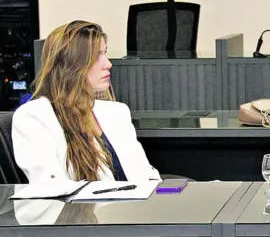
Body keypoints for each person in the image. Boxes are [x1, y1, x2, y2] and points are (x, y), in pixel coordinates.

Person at [12, 21, 161, 183]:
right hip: (80, 208)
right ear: (71, 64)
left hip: (135, 206)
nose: (108, 64)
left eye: (105, 53)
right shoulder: (34, 116)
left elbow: (146, 175)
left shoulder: (117, 112)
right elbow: (51, 187)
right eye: (96, 57)